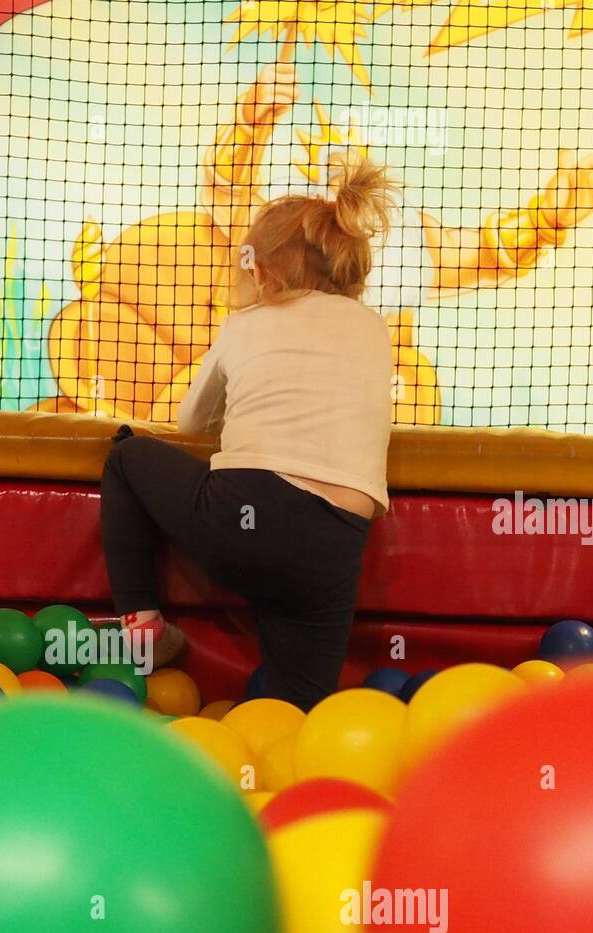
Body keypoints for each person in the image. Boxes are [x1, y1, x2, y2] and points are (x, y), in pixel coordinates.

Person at [100, 150, 397, 710]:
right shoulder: (374, 329)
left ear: (259, 271)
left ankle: (142, 630)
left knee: (126, 457)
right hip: (332, 552)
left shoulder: (246, 323)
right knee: (300, 711)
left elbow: (192, 420)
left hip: (241, 516)